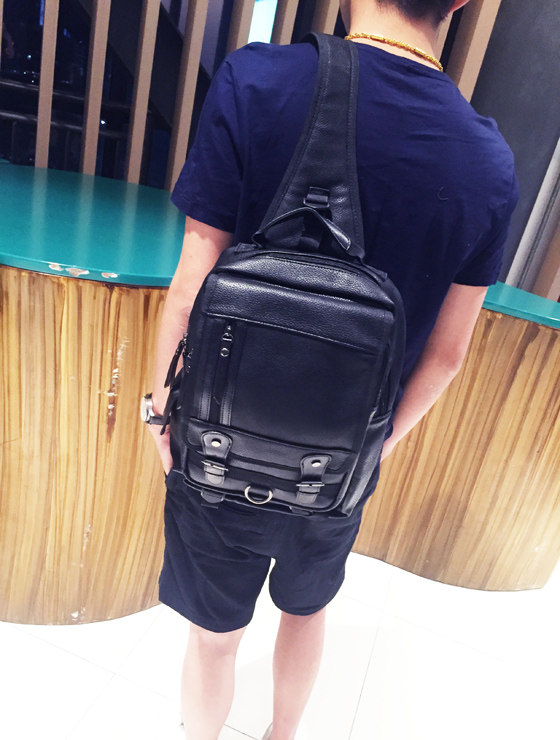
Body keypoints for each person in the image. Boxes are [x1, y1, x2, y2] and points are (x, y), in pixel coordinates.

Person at [144, 2, 518, 738]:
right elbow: (447, 357)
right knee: (305, 610)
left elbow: (193, 283)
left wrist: (163, 411)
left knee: (214, 638)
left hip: (219, 441)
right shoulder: (487, 160)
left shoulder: (259, 82)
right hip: (338, 467)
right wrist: (371, 450)